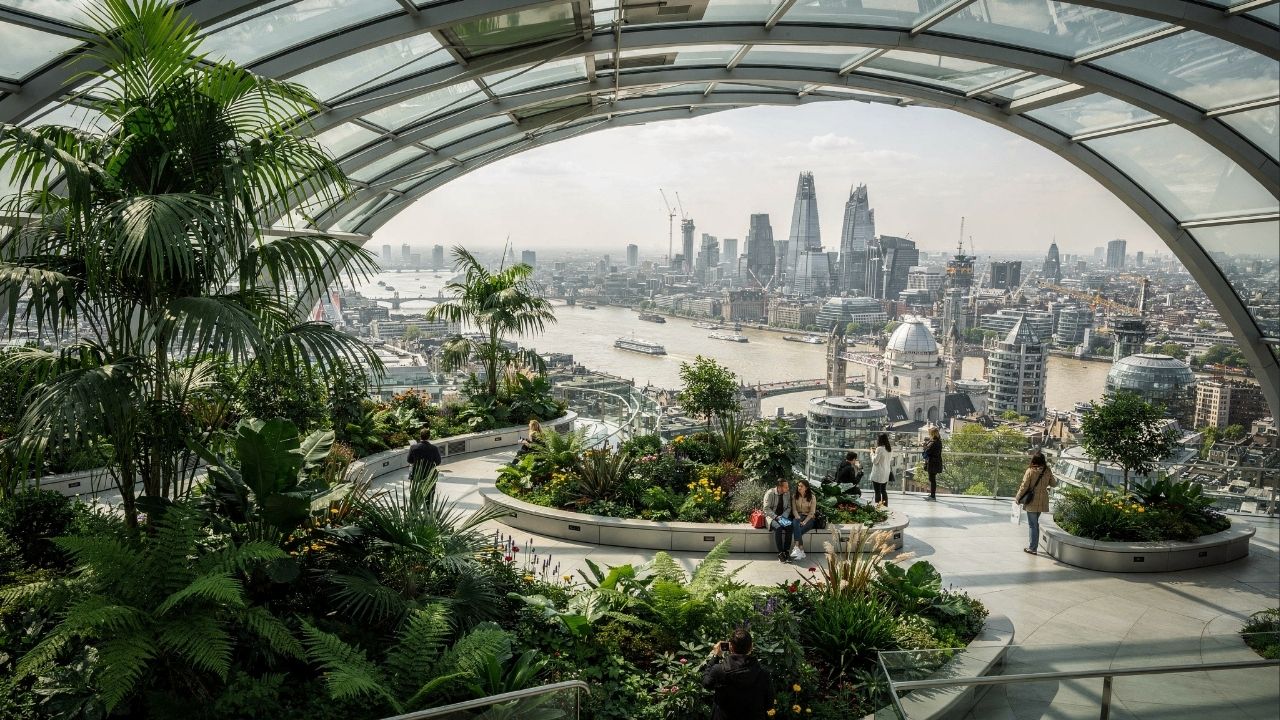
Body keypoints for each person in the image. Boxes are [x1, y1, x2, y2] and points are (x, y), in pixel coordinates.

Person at [701, 628, 773, 720]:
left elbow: (706, 683)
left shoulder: (719, 670)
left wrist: (715, 656)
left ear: (730, 647)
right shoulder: (763, 673)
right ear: (751, 647)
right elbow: (769, 704)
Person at [1014, 452, 1057, 555]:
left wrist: (1018, 497)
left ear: (1034, 460)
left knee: (1032, 525)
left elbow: (1024, 486)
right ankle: (1033, 546)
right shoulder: (1047, 471)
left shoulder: (1030, 471)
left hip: (1032, 500)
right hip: (1042, 499)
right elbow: (1053, 484)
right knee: (1035, 523)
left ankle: (1032, 548)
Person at [762, 477, 794, 563]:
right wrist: (776, 517)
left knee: (790, 526)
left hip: (782, 517)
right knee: (778, 528)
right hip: (771, 517)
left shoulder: (787, 494)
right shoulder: (770, 493)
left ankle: (786, 551)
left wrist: (783, 517)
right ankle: (780, 553)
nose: (788, 488)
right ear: (780, 487)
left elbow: (789, 507)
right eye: (786, 487)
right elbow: (766, 509)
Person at [407, 427, 442, 496]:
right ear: (429, 436)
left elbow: (409, 460)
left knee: (416, 494)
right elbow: (438, 462)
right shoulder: (434, 448)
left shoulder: (413, 447)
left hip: (416, 475)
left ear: (420, 436)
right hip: (429, 475)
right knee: (430, 494)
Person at [791, 479, 817, 560]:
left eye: (801, 486)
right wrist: (797, 516)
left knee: (799, 530)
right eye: (798, 486)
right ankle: (799, 550)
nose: (799, 487)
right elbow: (794, 510)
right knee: (795, 522)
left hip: (809, 518)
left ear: (806, 488)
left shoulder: (812, 497)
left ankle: (798, 549)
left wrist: (805, 522)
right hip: (798, 516)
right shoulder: (794, 496)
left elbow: (812, 512)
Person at [870, 433, 892, 507]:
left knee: (877, 491)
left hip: (878, 472)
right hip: (886, 472)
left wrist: (872, 453)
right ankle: (885, 507)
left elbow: (875, 461)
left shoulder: (879, 449)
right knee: (883, 490)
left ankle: (878, 508)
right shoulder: (889, 449)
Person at [923, 427, 943, 501]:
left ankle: (932, 496)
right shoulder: (938, 441)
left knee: (932, 479)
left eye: (930, 433)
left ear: (932, 433)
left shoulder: (933, 442)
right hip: (936, 462)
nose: (929, 434)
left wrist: (925, 446)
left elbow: (928, 451)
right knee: (932, 479)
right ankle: (932, 494)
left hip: (932, 463)